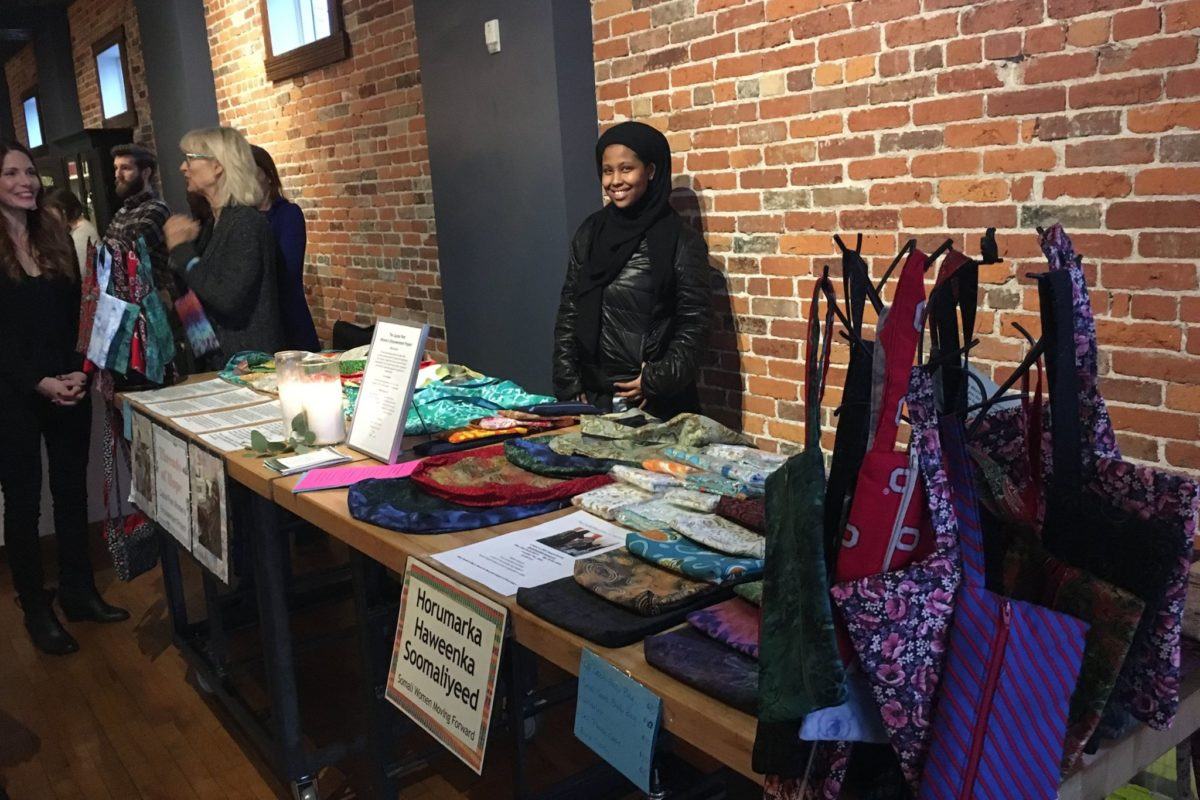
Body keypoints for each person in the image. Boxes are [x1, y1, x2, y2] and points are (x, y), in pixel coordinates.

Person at [0, 140, 129, 656]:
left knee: (72, 492)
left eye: (29, 172)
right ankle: (36, 608)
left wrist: (79, 370)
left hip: (67, 384)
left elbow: (80, 311)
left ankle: (79, 590)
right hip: (13, 393)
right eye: (11, 173)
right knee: (25, 504)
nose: (26, 181)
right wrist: (39, 381)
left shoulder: (52, 233)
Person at [552, 121, 711, 419]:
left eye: (626, 169)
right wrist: (568, 381)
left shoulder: (679, 240)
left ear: (651, 171)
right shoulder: (591, 231)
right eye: (607, 170)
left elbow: (695, 323)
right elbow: (570, 307)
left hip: (652, 404)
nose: (615, 180)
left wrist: (655, 380)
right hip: (591, 397)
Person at [165, 127, 284, 364]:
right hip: (217, 359)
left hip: (247, 365)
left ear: (218, 166)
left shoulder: (246, 223)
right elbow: (197, 293)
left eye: (190, 159)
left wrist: (181, 250)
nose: (183, 167)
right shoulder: (214, 223)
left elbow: (227, 298)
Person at [251, 144, 319, 351]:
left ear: (268, 175)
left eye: (251, 172)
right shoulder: (240, 219)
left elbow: (287, 272)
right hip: (259, 326)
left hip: (288, 320)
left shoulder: (288, 214)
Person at [42, 187, 99, 278]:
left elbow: (80, 272)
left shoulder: (81, 234)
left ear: (62, 212)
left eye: (48, 214)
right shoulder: (75, 229)